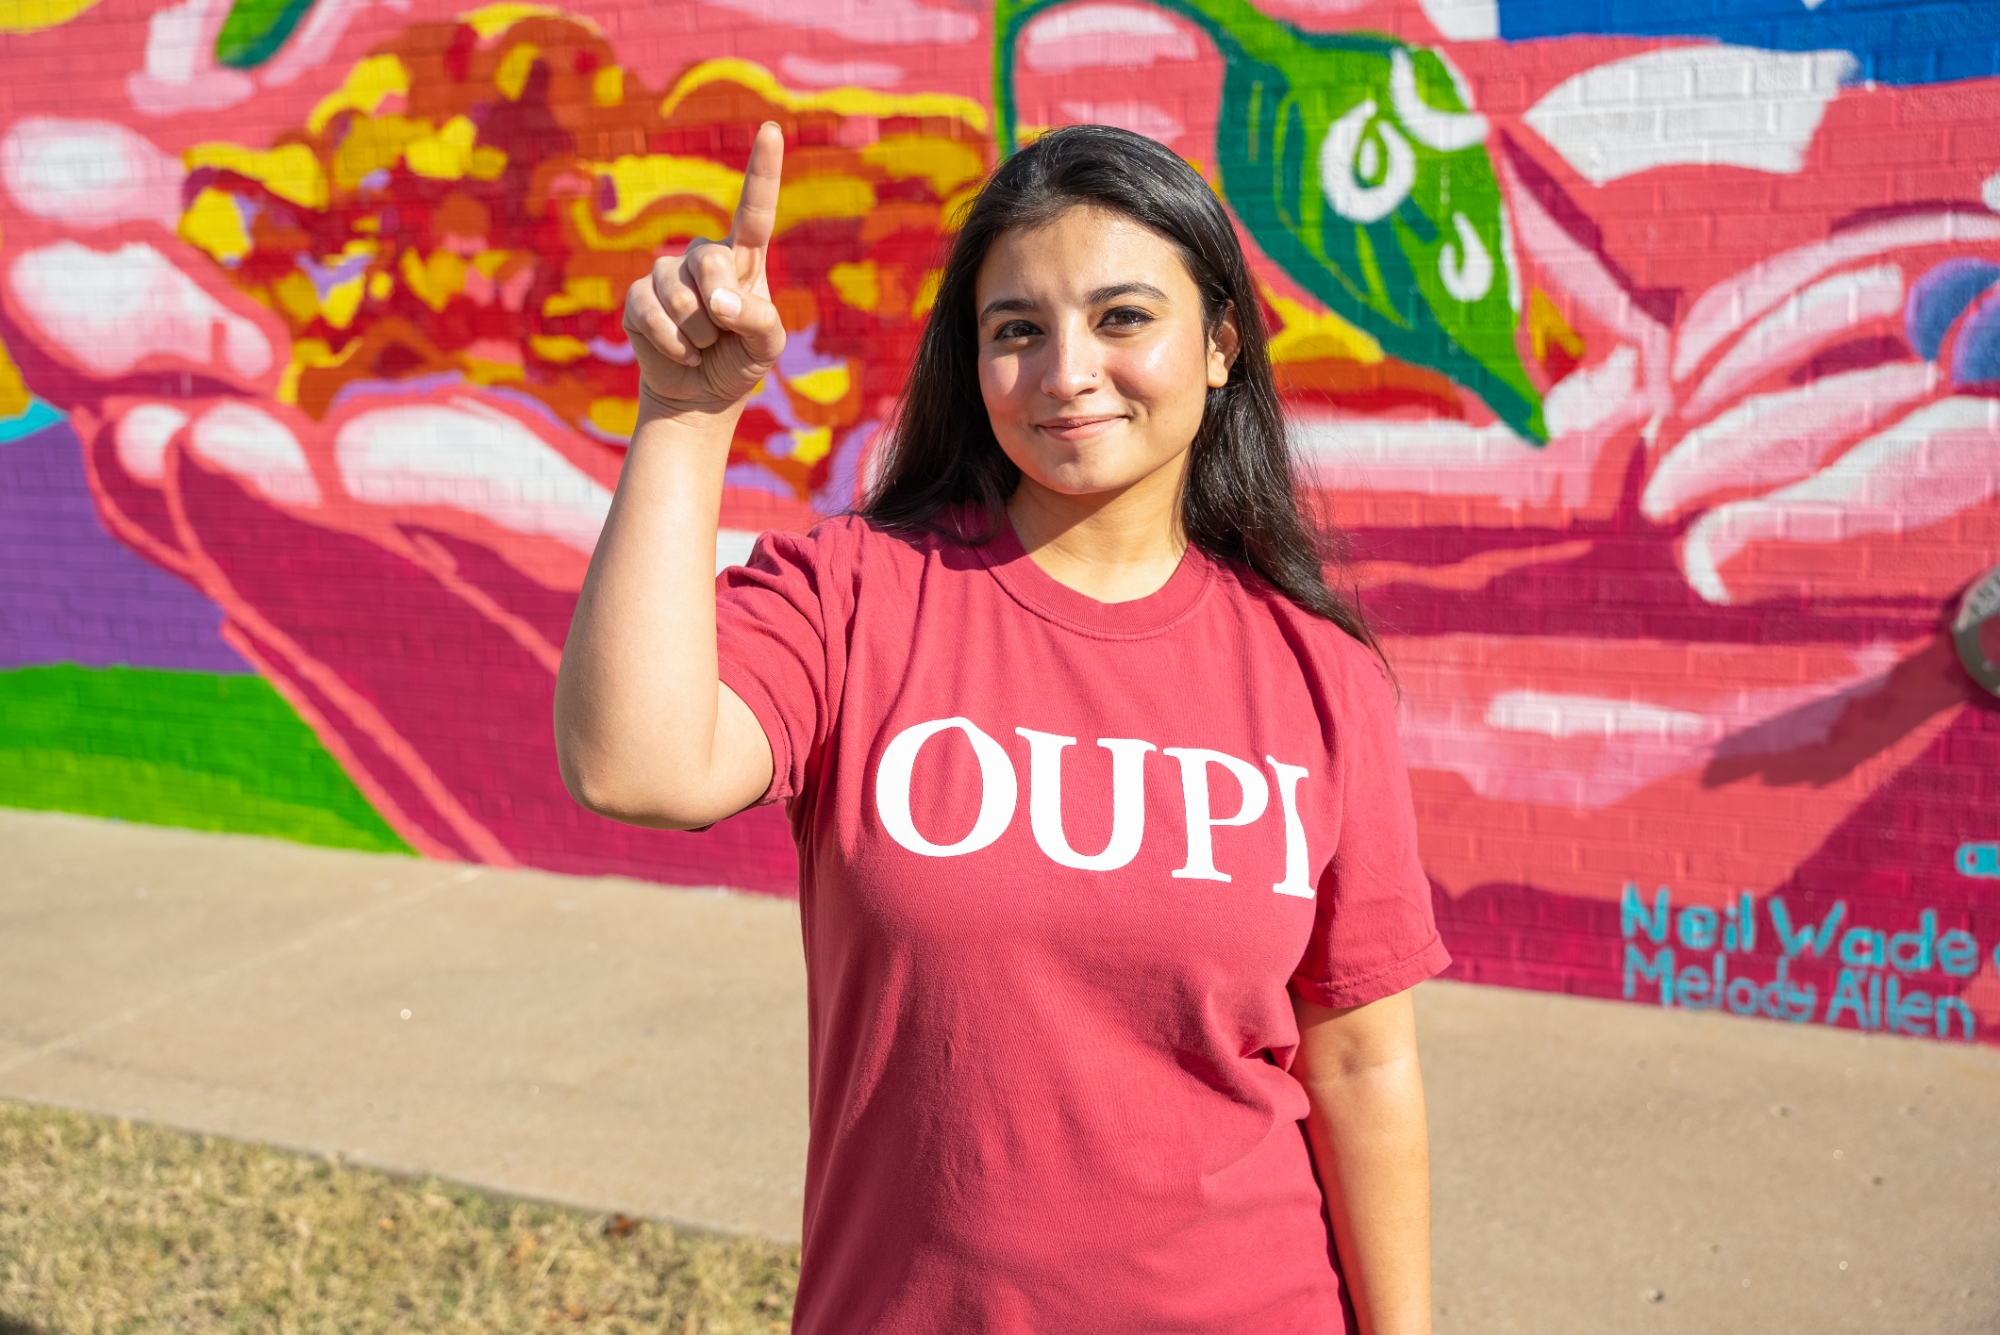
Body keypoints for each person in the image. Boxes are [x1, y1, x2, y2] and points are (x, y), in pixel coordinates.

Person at [554, 120, 1448, 1335]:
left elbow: (1358, 1063)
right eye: (1016, 329)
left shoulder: (1317, 673)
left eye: (1123, 317)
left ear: (1221, 344)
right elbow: (634, 764)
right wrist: (682, 413)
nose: (1066, 371)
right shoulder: (860, 595)